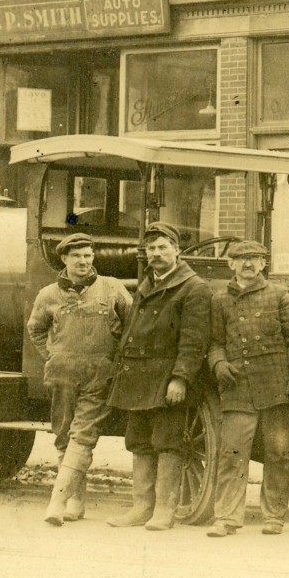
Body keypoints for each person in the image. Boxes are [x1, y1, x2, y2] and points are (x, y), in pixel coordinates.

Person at [107, 221, 213, 530]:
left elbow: (194, 340)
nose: (156, 253)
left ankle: (165, 510)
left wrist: (180, 378)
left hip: (167, 377)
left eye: (162, 247)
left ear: (177, 251)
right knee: (139, 441)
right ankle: (141, 507)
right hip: (138, 377)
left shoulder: (194, 288)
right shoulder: (147, 284)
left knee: (168, 442)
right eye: (151, 248)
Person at [205, 239, 289, 537]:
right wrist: (218, 363)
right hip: (237, 388)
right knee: (232, 453)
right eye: (242, 259)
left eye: (255, 259)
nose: (248, 264)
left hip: (276, 387)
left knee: (278, 453)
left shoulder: (278, 294)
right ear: (231, 264)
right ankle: (227, 516)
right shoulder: (219, 300)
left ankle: (274, 516)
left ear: (263, 264)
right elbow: (214, 342)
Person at [28, 233, 133, 526]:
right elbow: (36, 329)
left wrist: (116, 360)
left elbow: (131, 324)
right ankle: (75, 501)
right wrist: (52, 355)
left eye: (88, 255)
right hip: (62, 376)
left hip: (99, 376)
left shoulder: (112, 288)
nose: (83, 261)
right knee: (64, 436)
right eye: (76, 256)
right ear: (64, 259)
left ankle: (57, 502)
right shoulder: (48, 294)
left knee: (82, 436)